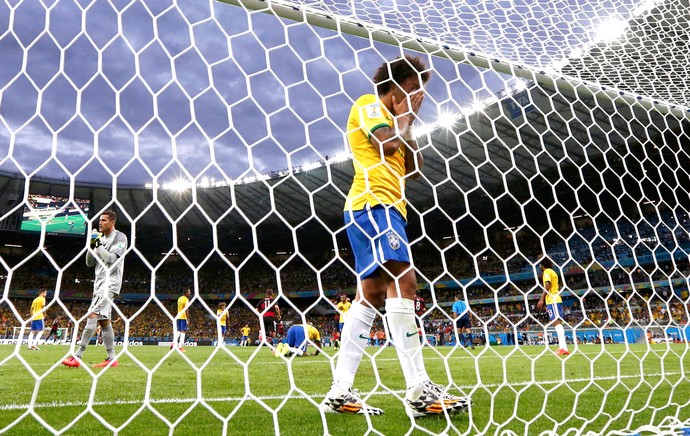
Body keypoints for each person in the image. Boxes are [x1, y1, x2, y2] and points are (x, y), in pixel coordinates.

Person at [321, 55, 470, 418]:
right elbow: (388, 146)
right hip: (373, 204)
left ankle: (340, 391)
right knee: (405, 282)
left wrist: (409, 124)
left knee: (370, 296)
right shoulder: (369, 105)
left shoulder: (397, 122)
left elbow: (414, 169)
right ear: (401, 84)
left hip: (389, 209)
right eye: (416, 87)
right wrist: (404, 120)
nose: (420, 95)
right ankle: (419, 391)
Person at [62, 210, 128, 368]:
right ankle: (111, 358)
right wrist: (91, 245)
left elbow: (112, 259)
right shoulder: (100, 238)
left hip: (110, 282)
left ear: (112, 222)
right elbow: (89, 263)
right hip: (99, 283)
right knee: (104, 321)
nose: (100, 223)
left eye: (104, 220)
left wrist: (98, 245)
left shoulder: (120, 237)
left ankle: (77, 356)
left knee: (92, 314)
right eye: (100, 220)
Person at [537, 257, 569, 356]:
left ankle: (563, 347)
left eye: (539, 264)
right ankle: (563, 347)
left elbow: (547, 284)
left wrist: (542, 299)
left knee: (556, 323)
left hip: (553, 300)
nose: (539, 266)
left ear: (542, 264)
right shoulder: (552, 271)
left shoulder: (547, 271)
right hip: (554, 300)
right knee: (556, 323)